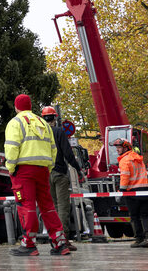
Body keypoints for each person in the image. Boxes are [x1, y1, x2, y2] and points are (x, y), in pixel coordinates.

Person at [4, 94, 71, 256]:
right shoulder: (43, 123)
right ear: (30, 106)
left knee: (26, 206)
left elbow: (12, 147)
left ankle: (29, 244)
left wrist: (11, 167)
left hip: (23, 171)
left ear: (16, 107)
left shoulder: (15, 122)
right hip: (43, 170)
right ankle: (60, 243)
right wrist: (48, 167)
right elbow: (53, 149)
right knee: (48, 206)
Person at [41, 106, 86, 250]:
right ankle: (63, 239)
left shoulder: (39, 134)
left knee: (52, 207)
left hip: (45, 174)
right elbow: (68, 153)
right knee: (63, 207)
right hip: (59, 173)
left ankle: (53, 237)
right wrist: (79, 169)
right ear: (55, 118)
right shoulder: (59, 132)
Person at [111, 137, 148, 248]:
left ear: (126, 148)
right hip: (144, 190)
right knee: (145, 215)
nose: (117, 150)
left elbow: (125, 176)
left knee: (134, 216)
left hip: (132, 192)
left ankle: (139, 239)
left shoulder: (124, 160)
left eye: (119, 147)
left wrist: (121, 190)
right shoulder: (138, 158)